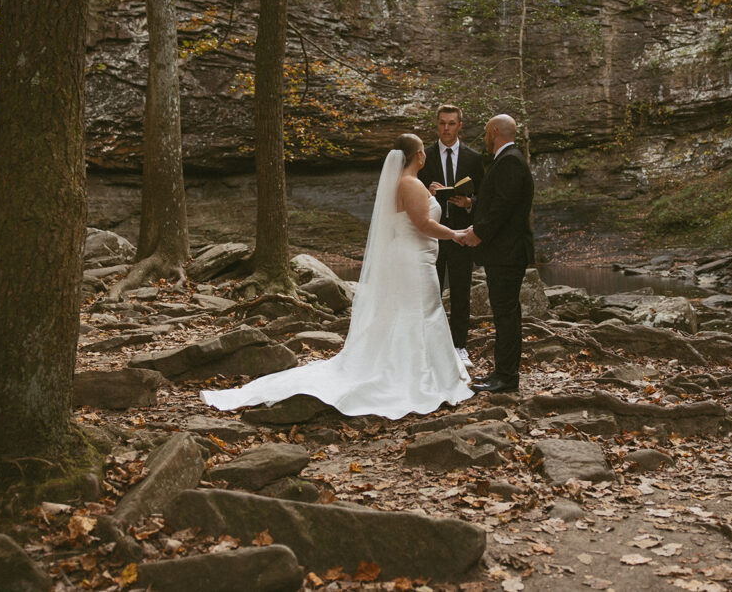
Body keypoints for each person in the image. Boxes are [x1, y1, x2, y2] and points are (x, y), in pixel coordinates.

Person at [201, 134, 473, 419]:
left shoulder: (401, 184)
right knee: (422, 311)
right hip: (414, 260)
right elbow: (423, 224)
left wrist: (433, 196)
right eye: (422, 150)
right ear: (418, 155)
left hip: (407, 256)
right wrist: (455, 235)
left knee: (410, 312)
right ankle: (420, 376)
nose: (425, 155)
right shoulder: (410, 183)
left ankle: (421, 368)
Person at [461, 114, 534, 394]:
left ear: (493, 131)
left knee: (506, 314)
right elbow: (497, 201)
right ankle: (502, 373)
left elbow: (502, 208)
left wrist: (478, 233)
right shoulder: (509, 159)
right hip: (504, 251)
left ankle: (506, 377)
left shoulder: (510, 160)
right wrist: (471, 203)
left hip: (507, 252)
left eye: (486, 132)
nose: (485, 138)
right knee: (505, 313)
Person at [418, 104, 484, 367]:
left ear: (460, 126)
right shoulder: (424, 156)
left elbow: (485, 197)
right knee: (429, 292)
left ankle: (459, 346)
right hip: (430, 237)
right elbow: (410, 194)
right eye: (442, 123)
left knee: (460, 292)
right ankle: (428, 347)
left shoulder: (473, 158)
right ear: (437, 125)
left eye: (451, 123)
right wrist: (428, 193)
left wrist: (469, 203)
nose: (446, 128)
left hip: (461, 236)